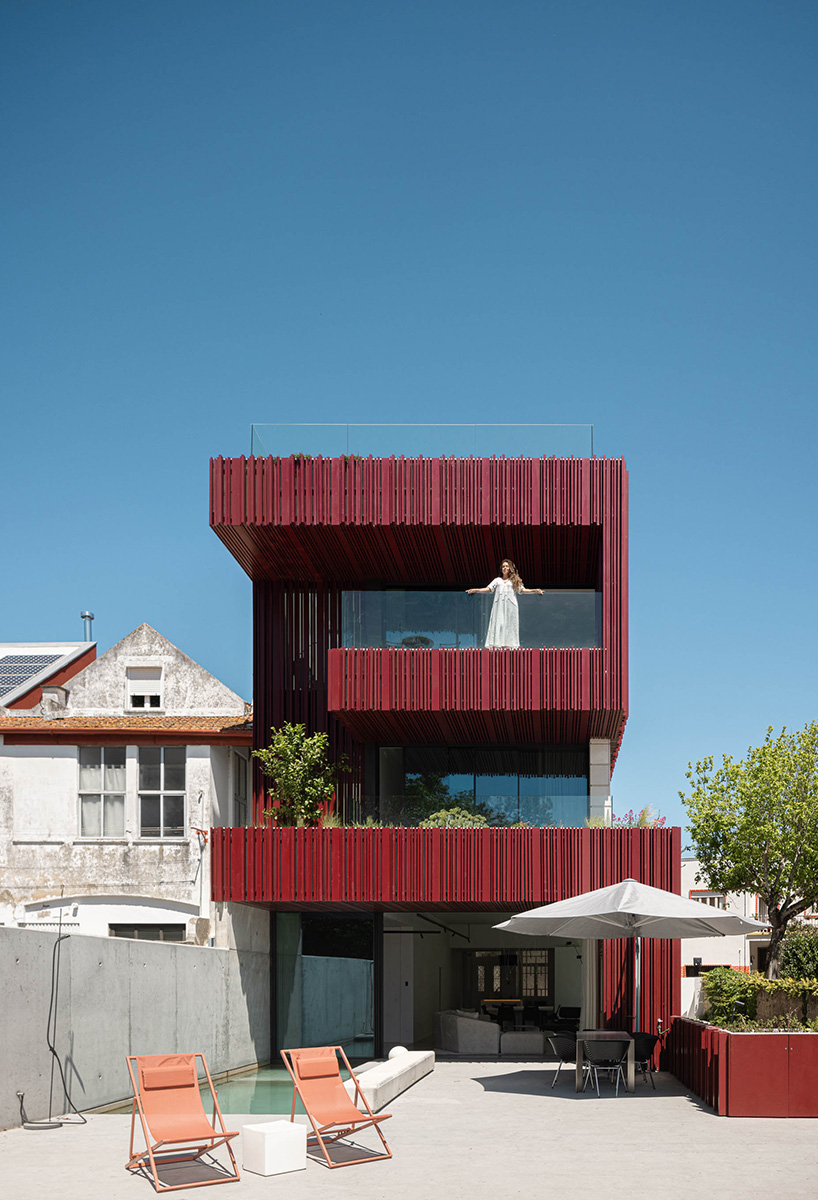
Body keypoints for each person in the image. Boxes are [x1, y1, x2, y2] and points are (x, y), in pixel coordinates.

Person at [466, 559, 543, 648]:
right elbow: (489, 589)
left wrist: (534, 590)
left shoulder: (514, 580)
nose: (505, 568)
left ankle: (510, 646)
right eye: (503, 566)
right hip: (499, 605)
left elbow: (522, 590)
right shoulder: (497, 580)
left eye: (506, 566)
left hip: (511, 606)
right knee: (498, 622)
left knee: (510, 624)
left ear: (510, 568)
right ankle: (497, 645)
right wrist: (476, 590)